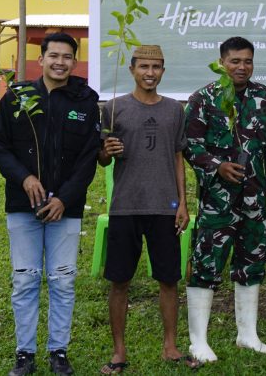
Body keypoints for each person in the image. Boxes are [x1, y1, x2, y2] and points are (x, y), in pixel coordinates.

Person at [0, 32, 101, 376]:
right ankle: (24, 353)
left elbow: (88, 159)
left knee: (63, 280)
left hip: (66, 209)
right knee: (25, 279)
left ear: (75, 61)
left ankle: (58, 351)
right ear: (41, 59)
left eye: (67, 57)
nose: (60, 62)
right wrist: (25, 178)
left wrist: (65, 198)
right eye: (54, 55)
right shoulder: (17, 97)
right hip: (23, 205)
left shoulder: (86, 101)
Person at [183, 36, 266, 362]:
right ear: (222, 63)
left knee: (252, 261)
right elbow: (190, 146)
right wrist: (217, 166)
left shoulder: (264, 96)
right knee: (207, 263)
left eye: (247, 61)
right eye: (235, 61)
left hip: (254, 197)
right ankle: (198, 341)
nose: (242, 67)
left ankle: (247, 334)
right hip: (218, 199)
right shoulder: (203, 99)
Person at [97, 45, 196, 373]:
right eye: (143, 67)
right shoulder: (114, 108)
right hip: (125, 207)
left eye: (156, 67)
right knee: (120, 280)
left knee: (169, 279)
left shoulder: (174, 110)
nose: (149, 73)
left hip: (164, 207)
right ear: (132, 69)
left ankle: (170, 346)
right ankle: (118, 351)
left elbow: (178, 156)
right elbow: (102, 158)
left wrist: (182, 203)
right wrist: (106, 150)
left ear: (163, 71)